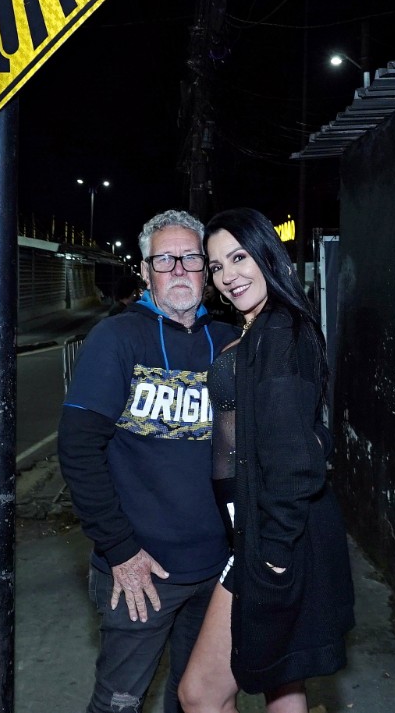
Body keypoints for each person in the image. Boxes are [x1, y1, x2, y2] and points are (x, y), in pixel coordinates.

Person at [58, 209, 239, 713]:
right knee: (119, 702)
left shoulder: (230, 342)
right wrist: (120, 550)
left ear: (207, 270)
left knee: (196, 699)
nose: (178, 269)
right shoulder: (116, 339)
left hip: (218, 569)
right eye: (164, 260)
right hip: (140, 572)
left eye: (190, 258)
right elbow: (78, 449)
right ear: (144, 270)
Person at [179, 208, 354, 713]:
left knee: (200, 694)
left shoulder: (279, 329)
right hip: (259, 528)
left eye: (239, 257)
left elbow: (294, 458)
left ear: (267, 255)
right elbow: (306, 427)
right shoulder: (266, 328)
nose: (228, 275)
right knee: (284, 685)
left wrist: (273, 556)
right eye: (216, 266)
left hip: (275, 538)